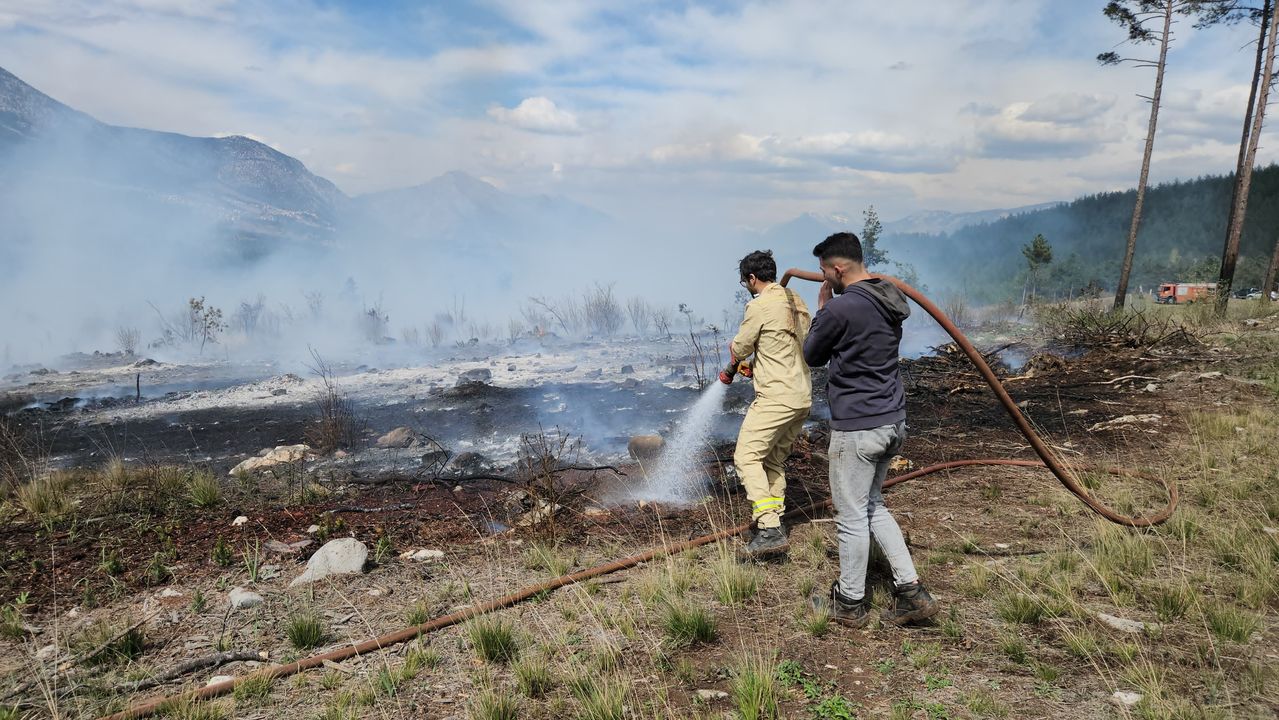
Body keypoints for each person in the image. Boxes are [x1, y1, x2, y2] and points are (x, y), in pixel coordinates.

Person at [802, 232, 939, 627]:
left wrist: (823, 308)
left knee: (850, 515)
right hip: (892, 420)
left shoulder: (841, 309)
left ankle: (849, 602)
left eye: (825, 272)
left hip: (858, 427)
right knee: (873, 505)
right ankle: (911, 591)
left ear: (838, 268)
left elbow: (812, 355)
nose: (824, 278)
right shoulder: (888, 298)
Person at [726, 250, 813, 560]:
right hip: (801, 397)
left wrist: (735, 351)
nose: (746, 287)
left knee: (746, 457)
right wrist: (758, 365)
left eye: (745, 282)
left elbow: (741, 345)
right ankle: (773, 524)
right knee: (772, 460)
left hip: (776, 397)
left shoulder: (759, 305)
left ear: (752, 278)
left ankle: (768, 529)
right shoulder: (797, 301)